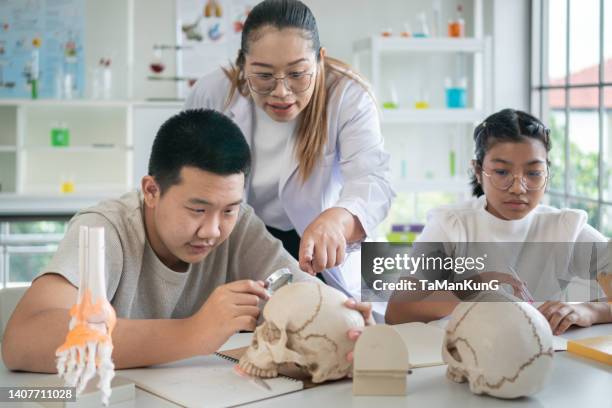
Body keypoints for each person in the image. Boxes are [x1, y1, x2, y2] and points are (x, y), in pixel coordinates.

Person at [2, 109, 373, 373]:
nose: (213, 230)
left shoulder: (239, 226)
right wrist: (195, 331)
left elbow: (301, 288)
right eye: (197, 209)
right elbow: (23, 341)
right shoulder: (105, 229)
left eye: (228, 209)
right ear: (151, 190)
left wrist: (343, 315)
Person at [185, 0, 394, 311]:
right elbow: (188, 179)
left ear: (320, 60)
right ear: (243, 63)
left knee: (332, 328)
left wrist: (338, 222)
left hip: (322, 247)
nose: (282, 91)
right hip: (243, 241)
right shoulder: (213, 93)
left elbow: (371, 180)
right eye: (263, 75)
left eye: (297, 73)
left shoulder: (348, 96)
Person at [385, 108, 612, 335]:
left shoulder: (565, 229)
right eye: (502, 171)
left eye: (533, 173)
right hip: (461, 356)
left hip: (541, 354)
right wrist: (472, 288)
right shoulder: (452, 225)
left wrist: (591, 311)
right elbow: (397, 311)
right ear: (478, 171)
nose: (517, 188)